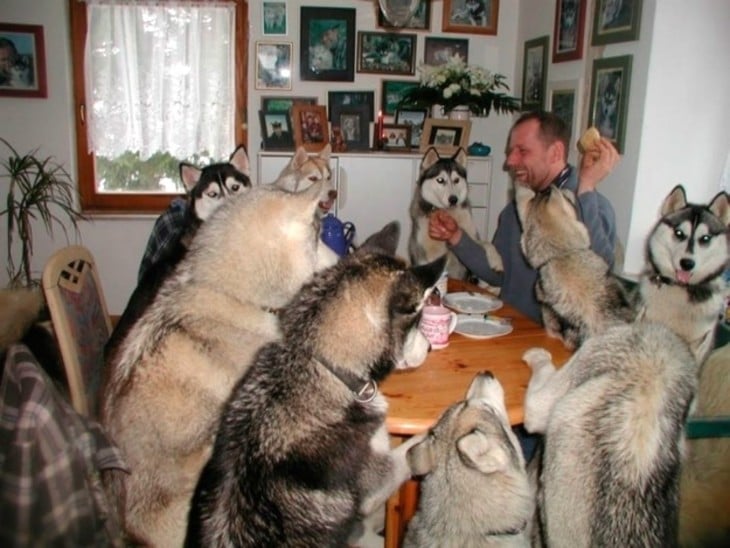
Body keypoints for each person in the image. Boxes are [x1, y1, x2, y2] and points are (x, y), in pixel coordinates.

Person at [429, 110, 620, 324]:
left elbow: (600, 278)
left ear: (555, 152)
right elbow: (498, 273)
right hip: (512, 330)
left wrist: (586, 188)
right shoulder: (515, 211)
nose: (510, 160)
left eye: (522, 151)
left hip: (558, 346)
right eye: (511, 151)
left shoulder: (593, 206)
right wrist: (456, 236)